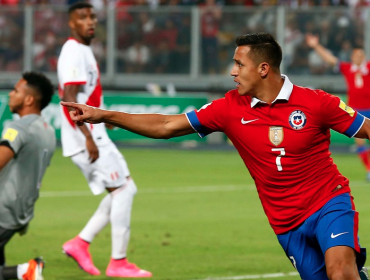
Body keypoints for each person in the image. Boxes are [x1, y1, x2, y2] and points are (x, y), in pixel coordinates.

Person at [62, 32, 370, 280]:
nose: (232, 72)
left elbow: (367, 129)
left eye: (239, 64)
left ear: (263, 69)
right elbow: (167, 125)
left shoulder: (317, 102)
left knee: (340, 272)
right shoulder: (228, 108)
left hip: (329, 200)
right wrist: (106, 116)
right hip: (285, 222)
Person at [57, 2, 152, 278]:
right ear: (71, 24)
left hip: (92, 132)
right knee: (124, 190)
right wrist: (87, 136)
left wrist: (104, 117)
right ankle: (118, 262)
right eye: (82, 17)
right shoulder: (74, 50)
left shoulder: (82, 50)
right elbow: (70, 98)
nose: (90, 21)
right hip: (85, 136)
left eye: (93, 16)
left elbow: (83, 96)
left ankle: (80, 243)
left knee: (123, 189)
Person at [0, 72, 56, 280]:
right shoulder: (48, 131)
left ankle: (25, 271)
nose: (10, 95)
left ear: (29, 99)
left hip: (3, 209)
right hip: (20, 211)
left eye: (15, 91)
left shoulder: (18, 127)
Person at [306, 33, 370, 181]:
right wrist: (316, 46)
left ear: (364, 56)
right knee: (360, 143)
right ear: (352, 56)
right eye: (355, 55)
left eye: (360, 54)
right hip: (357, 111)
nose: (358, 57)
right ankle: (369, 169)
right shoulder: (348, 68)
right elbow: (330, 59)